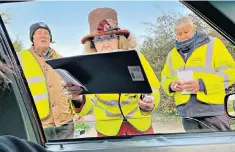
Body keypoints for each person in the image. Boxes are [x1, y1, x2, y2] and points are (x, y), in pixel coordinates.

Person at [62, 8, 161, 137]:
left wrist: (150, 102)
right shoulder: (87, 67)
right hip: (107, 131)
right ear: (93, 44)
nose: (106, 44)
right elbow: (86, 110)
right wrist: (78, 98)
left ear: (119, 39)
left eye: (110, 37)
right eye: (99, 39)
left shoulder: (137, 57)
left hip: (141, 127)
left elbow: (154, 88)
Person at [161, 16, 235, 132]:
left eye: (186, 31)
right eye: (179, 33)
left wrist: (202, 84)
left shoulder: (213, 44)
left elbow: (231, 72)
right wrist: (171, 85)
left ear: (194, 29)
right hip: (186, 112)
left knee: (220, 147)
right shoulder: (172, 54)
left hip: (212, 110)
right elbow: (164, 78)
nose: (183, 36)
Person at [17, 22, 83, 140]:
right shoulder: (19, 59)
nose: (43, 36)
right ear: (32, 38)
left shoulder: (63, 60)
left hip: (66, 123)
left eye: (46, 33)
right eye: (39, 33)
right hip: (39, 124)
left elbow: (75, 89)